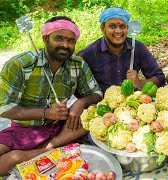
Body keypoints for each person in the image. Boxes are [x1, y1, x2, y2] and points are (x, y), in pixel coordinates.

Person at [0, 16, 103, 176]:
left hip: (61, 127)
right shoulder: (20, 65)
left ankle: (44, 149)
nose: (65, 45)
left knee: (93, 114)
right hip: (24, 128)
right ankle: (51, 152)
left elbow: (96, 93)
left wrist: (80, 102)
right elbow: (4, 108)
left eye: (71, 41)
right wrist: (46, 113)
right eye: (59, 38)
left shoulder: (78, 64)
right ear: (45, 38)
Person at [77, 7, 166, 93]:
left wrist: (139, 83)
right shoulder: (89, 53)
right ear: (103, 28)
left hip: (132, 102)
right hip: (101, 104)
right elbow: (76, 83)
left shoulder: (137, 48)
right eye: (112, 26)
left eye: (122, 26)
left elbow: (159, 77)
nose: (118, 31)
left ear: (127, 28)